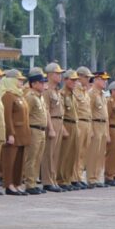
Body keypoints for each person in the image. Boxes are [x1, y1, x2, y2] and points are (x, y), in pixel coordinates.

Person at [0, 69, 30, 196]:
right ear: (11, 81)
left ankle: (17, 183)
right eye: (19, 80)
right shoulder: (7, 96)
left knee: (19, 161)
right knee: (9, 160)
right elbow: (7, 117)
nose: (21, 82)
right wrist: (10, 133)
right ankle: (9, 184)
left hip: (22, 133)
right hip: (14, 133)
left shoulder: (19, 95)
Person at [22, 68, 49, 195]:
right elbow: (25, 115)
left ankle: (34, 181)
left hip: (41, 130)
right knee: (31, 158)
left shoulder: (40, 97)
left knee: (38, 157)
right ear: (33, 84)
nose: (44, 85)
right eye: (41, 82)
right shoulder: (30, 97)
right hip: (33, 130)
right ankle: (29, 183)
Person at [41, 63, 65, 193]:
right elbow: (46, 111)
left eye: (60, 73)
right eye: (57, 73)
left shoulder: (57, 91)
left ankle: (54, 179)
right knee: (49, 154)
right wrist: (50, 128)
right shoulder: (47, 90)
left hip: (59, 122)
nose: (60, 76)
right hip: (52, 122)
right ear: (49, 75)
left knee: (56, 154)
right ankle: (47, 180)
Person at [57, 70, 81, 191]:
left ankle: (68, 178)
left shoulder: (73, 94)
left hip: (75, 124)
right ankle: (61, 179)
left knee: (73, 154)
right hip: (66, 124)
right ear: (65, 80)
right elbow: (60, 113)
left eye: (76, 80)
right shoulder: (62, 94)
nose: (74, 82)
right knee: (64, 154)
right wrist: (62, 128)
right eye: (72, 80)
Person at [86, 71, 110, 187]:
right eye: (103, 79)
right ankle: (91, 178)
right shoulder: (91, 94)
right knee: (93, 153)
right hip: (95, 124)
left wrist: (107, 132)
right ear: (96, 79)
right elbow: (89, 112)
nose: (105, 82)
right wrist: (90, 129)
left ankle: (97, 176)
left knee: (101, 154)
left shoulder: (102, 94)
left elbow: (105, 115)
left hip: (103, 125)